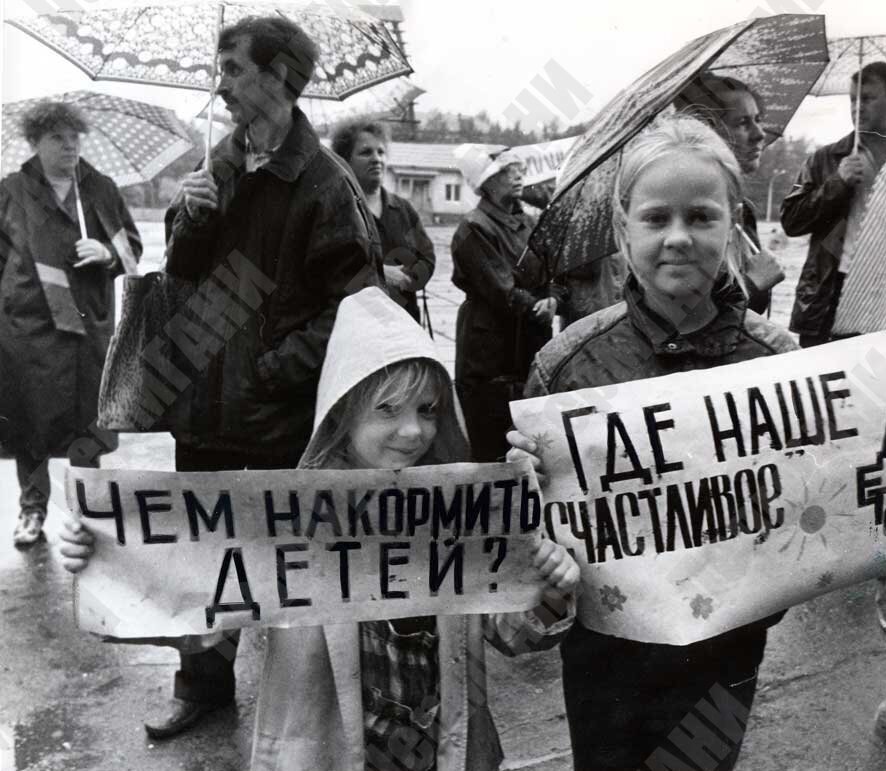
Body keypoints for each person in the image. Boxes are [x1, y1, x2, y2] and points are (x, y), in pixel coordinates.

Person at [505, 114, 886, 770]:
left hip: (728, 654)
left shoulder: (781, 361)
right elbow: (523, 545)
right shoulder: (565, 367)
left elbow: (847, 470)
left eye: (700, 217)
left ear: (733, 222)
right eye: (656, 218)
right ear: (623, 229)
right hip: (604, 661)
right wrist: (523, 500)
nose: (678, 237)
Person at [140, 15, 381, 740]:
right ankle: (205, 685)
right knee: (202, 552)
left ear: (279, 77)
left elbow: (357, 303)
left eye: (234, 72)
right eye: (221, 72)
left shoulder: (323, 182)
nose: (222, 87)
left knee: (285, 559)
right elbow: (182, 273)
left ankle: (302, 705)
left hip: (277, 410)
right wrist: (191, 219)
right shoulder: (219, 159)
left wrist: (277, 369)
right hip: (204, 402)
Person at [246, 287, 573, 769]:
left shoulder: (459, 513)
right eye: (387, 409)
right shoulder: (288, 522)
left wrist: (545, 588)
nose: (414, 431)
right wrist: (101, 559)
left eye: (427, 409)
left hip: (443, 752)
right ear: (342, 411)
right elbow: (186, 613)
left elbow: (513, 635)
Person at [0, 100, 142, 547]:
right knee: (30, 422)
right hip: (29, 328)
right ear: (35, 142)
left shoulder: (100, 189)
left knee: (88, 422)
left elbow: (132, 248)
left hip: (88, 325)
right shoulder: (11, 191)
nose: (69, 146)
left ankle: (90, 510)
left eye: (74, 137)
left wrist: (106, 253)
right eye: (57, 138)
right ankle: (32, 508)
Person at [451, 146, 564, 462]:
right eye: (505, 171)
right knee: (491, 439)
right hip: (489, 346)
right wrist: (535, 306)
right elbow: (500, 288)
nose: (517, 175)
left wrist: (553, 297)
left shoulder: (530, 223)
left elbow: (553, 268)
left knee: (534, 436)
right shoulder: (474, 228)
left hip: (530, 339)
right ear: (486, 183)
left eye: (518, 168)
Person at [781, 61, 886, 347]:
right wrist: (838, 181)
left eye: (868, 98)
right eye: (852, 99)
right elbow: (791, 220)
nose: (857, 108)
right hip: (831, 290)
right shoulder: (826, 159)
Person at [674, 72, 775, 313]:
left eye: (758, 119)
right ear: (707, 132)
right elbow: (685, 314)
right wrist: (754, 284)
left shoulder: (741, 208)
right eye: (742, 123)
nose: (760, 134)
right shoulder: (686, 211)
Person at [332, 119, 436, 323]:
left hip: (404, 322)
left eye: (381, 152)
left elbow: (427, 257)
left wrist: (407, 280)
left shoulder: (403, 209)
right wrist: (379, 276)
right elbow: (332, 270)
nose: (376, 159)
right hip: (358, 324)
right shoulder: (336, 210)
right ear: (346, 160)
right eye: (365, 152)